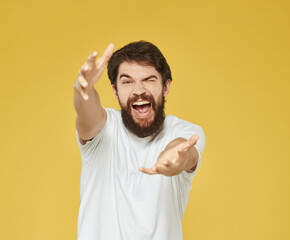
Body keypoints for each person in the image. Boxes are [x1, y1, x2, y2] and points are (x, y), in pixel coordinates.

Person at [73, 41, 206, 240]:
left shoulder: (186, 131)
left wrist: (176, 158)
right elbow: (87, 112)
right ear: (115, 91)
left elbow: (183, 150)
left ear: (166, 87)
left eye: (149, 79)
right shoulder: (102, 129)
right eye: (127, 81)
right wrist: (83, 91)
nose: (139, 90)